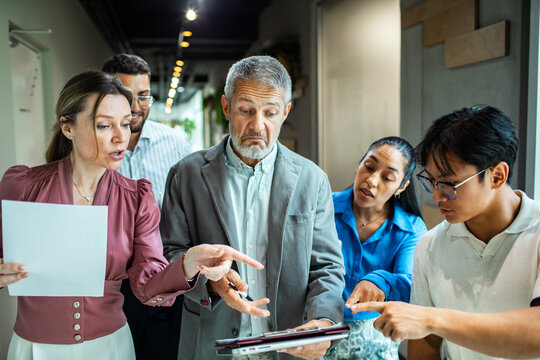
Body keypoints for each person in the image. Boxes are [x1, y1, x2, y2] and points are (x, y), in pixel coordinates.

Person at [0, 70, 264, 360]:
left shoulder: (136, 199)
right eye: (103, 125)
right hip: (34, 349)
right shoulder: (22, 187)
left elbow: (147, 287)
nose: (120, 138)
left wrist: (188, 263)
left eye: (126, 125)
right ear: (67, 128)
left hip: (110, 348)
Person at [160, 55, 346, 360]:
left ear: (285, 112)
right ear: (226, 107)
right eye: (245, 110)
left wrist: (324, 323)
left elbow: (326, 266)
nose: (257, 125)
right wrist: (209, 281)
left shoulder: (312, 180)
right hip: (210, 345)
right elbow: (169, 255)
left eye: (270, 112)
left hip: (286, 348)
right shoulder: (186, 174)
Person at [352, 105, 540, 359]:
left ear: (497, 175)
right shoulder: (430, 245)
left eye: (450, 184)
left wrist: (432, 318)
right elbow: (426, 346)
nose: (437, 196)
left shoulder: (535, 233)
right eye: (432, 181)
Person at [102, 53, 191, 360]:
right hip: (112, 283)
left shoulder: (176, 144)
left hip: (163, 276)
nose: (138, 106)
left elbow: (188, 209)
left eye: (144, 95)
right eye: (127, 96)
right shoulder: (95, 146)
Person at [324, 137, 426, 360]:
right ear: (359, 164)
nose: (371, 180)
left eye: (387, 177)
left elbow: (412, 284)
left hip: (376, 337)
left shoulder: (410, 229)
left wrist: (380, 280)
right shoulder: (324, 208)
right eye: (369, 167)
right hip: (320, 327)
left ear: (402, 186)